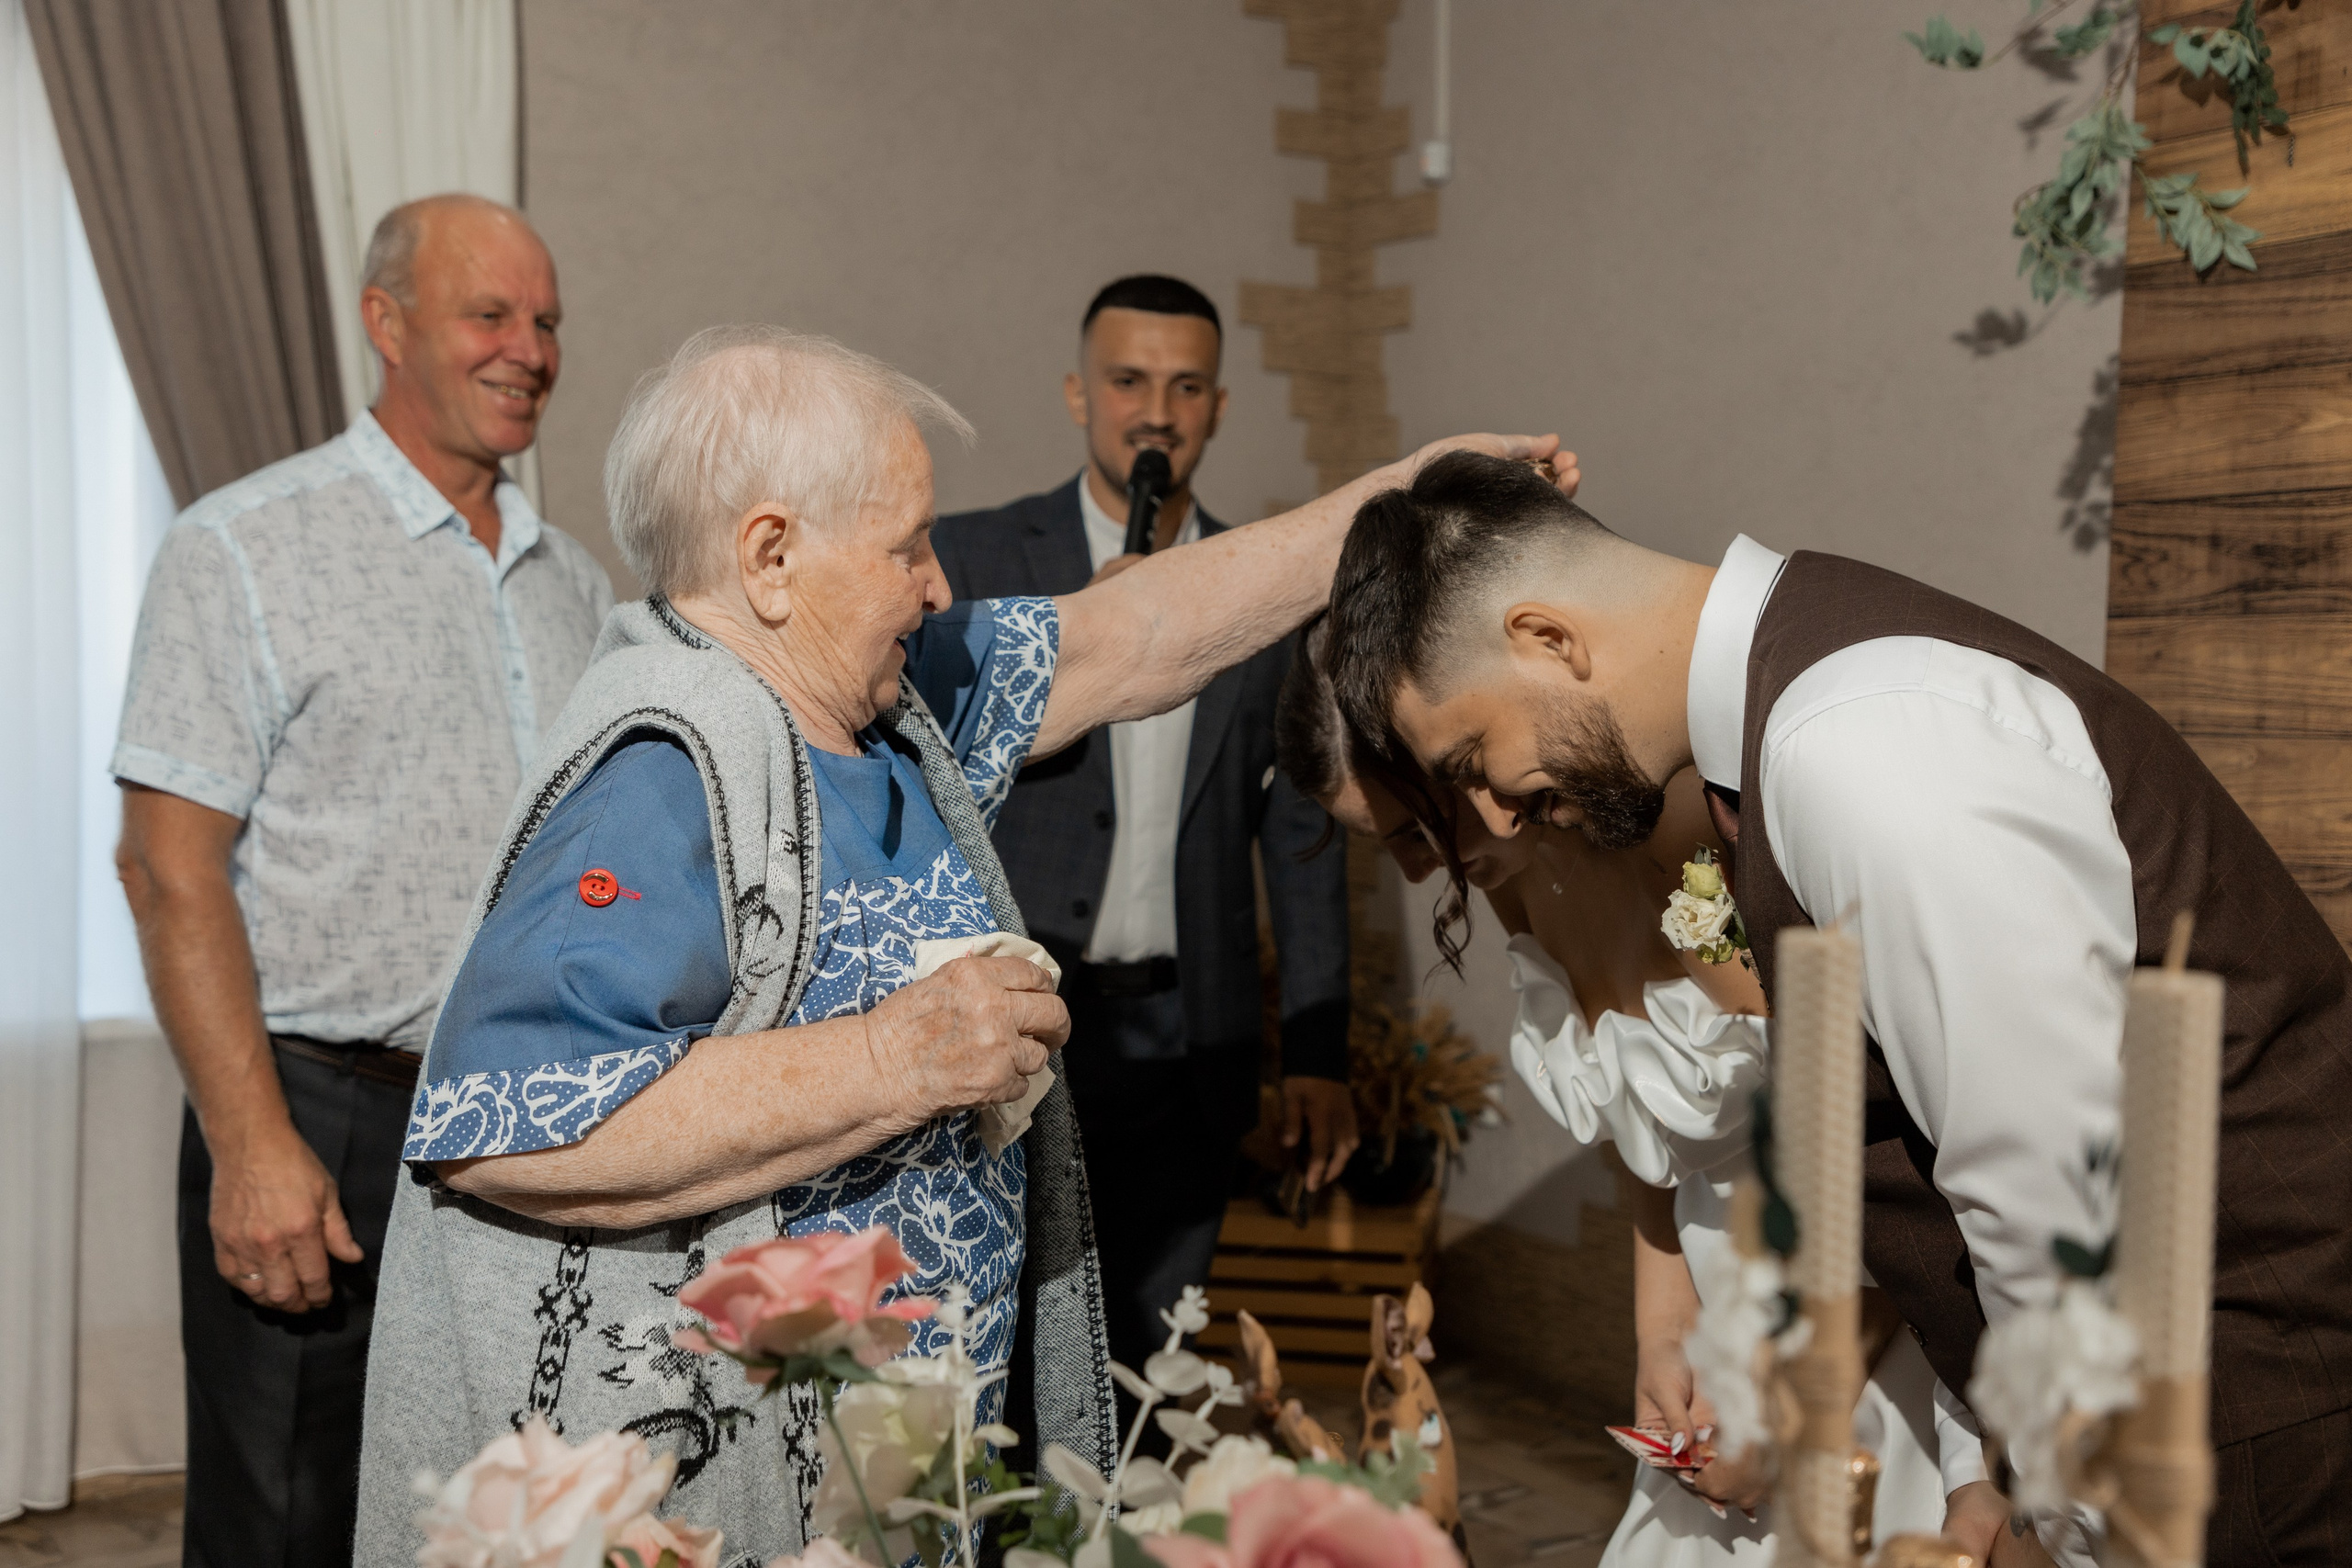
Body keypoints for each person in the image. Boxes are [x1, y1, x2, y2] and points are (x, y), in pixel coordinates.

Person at [349, 321, 1569, 1563]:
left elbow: (1138, 631)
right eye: (907, 547)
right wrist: (896, 1059)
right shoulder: (666, 769)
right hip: (758, 1492)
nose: (937, 586)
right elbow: (508, 1124)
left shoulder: (884, 699)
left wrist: (1399, 499)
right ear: (771, 557)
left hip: (911, 1463)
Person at [1321, 450, 2352, 1565]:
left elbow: (2043, 1190)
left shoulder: (1860, 740)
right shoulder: (1791, 725)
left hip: (2242, 1423)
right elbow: (1939, 1152)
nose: (1494, 817)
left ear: (1547, 639)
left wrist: (2066, 1529)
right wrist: (1982, 1465)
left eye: (1472, 758)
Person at [110, 193, 609, 1565]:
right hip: (317, 1119)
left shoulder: (575, 584)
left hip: (530, 1126)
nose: (530, 350)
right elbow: (166, 866)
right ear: (387, 323)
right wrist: (252, 1143)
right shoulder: (243, 546)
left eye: (547, 320)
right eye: (490, 314)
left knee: (502, 1519)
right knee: (285, 1520)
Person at [1274, 617, 1954, 1565]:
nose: (1418, 869)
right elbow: (1647, 1132)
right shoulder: (1512, 878)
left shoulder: (1682, 850)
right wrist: (1661, 1334)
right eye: (1380, 844)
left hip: (1866, 1313)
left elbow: (1883, 1142)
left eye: (1413, 829)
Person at [931, 275, 1356, 1377]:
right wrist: (1081, 643)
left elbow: (1300, 833)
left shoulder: (1264, 591)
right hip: (1020, 1033)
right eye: (1128, 381)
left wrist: (1316, 1053)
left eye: (1185, 387)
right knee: (1003, 1372)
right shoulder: (974, 559)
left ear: (1218, 407)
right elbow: (923, 772)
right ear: (1080, 394)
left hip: (1192, 1047)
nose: (1155, 412)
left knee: (1153, 1369)